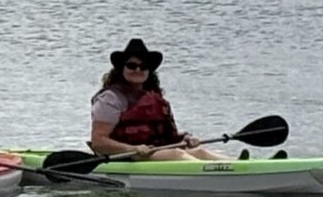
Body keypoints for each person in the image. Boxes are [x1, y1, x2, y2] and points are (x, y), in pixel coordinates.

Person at [88, 37, 222, 161]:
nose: (138, 70)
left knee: (200, 152)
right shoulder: (110, 98)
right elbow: (99, 142)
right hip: (125, 157)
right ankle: (210, 171)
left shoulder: (154, 97)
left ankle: (231, 166)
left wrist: (185, 139)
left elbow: (167, 136)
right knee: (176, 154)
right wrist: (132, 149)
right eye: (132, 65)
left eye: (144, 66)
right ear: (121, 69)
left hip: (154, 152)